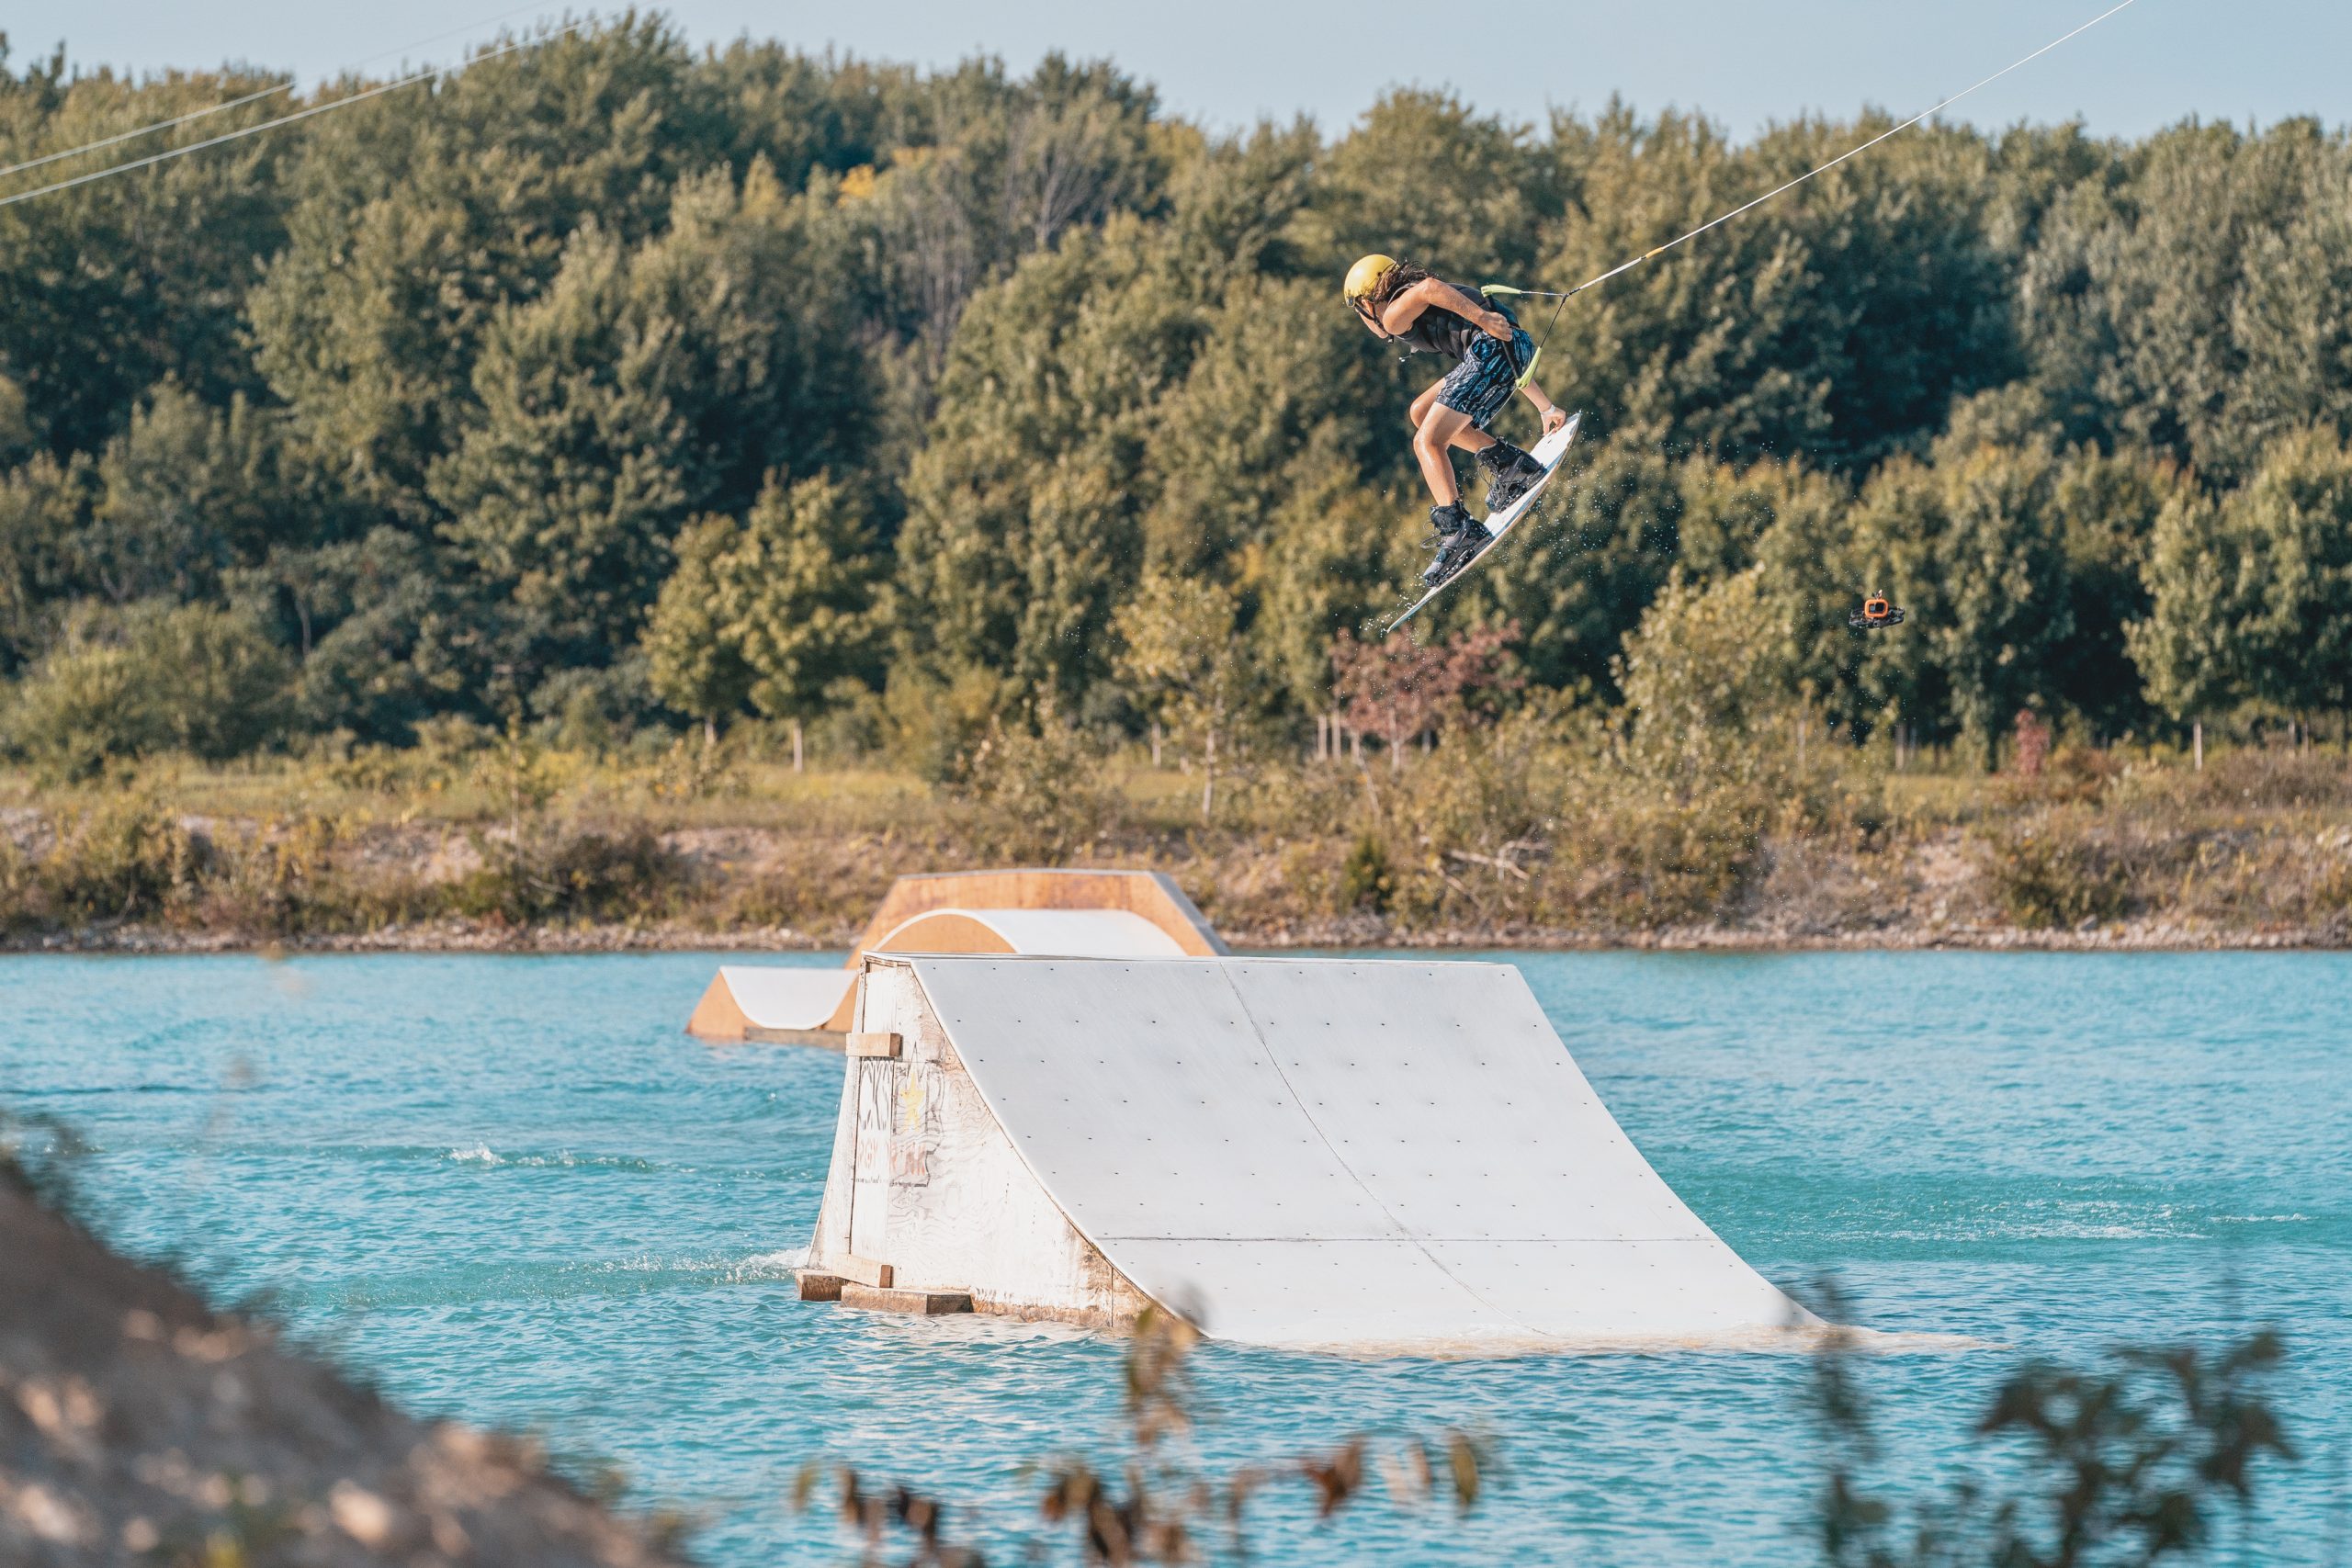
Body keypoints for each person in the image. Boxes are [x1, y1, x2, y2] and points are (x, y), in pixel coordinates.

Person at [1343, 254, 1571, 583]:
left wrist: (1481, 318)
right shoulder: (1407, 298)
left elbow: (1430, 289)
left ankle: (1459, 531)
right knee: (1420, 412)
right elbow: (1511, 345)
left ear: (1367, 302)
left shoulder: (1393, 314)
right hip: (1508, 349)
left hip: (1489, 351)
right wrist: (1546, 407)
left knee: (1426, 441)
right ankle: (1510, 466)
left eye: (1359, 313)